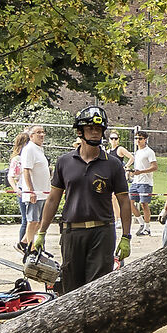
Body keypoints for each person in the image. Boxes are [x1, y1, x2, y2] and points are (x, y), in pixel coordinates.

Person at [32, 106, 131, 295]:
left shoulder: (113, 164)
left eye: (99, 129)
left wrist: (126, 236)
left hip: (102, 232)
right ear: (80, 131)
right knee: (71, 289)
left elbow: (124, 201)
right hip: (72, 232)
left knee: (98, 289)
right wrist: (41, 232)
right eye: (90, 128)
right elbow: (53, 199)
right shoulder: (64, 162)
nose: (95, 132)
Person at [128, 131, 158, 223]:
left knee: (144, 204)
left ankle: (147, 226)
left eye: (140, 138)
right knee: (129, 202)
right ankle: (141, 223)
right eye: (136, 138)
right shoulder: (137, 152)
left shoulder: (149, 152)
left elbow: (154, 167)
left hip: (145, 182)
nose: (138, 140)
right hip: (136, 181)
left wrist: (141, 172)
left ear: (145, 139)